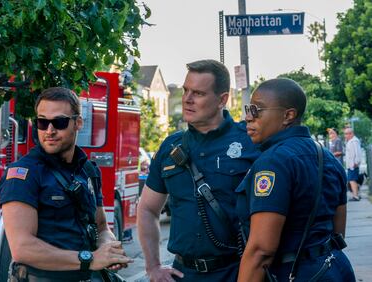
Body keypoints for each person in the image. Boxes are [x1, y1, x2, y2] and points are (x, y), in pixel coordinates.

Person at [137, 59, 259, 281]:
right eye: (185, 90)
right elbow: (146, 209)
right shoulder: (170, 147)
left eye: (198, 93)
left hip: (237, 272)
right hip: (184, 273)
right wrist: (153, 266)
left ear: (222, 99)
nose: (187, 99)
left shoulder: (250, 142)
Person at [0, 87, 132, 281]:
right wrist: (90, 259)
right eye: (42, 122)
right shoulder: (23, 175)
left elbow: (102, 226)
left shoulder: (89, 170)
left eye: (59, 122)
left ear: (78, 123)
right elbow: (22, 248)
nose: (49, 130)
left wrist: (109, 249)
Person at [235, 78, 355, 282]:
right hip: (334, 268)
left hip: (295, 272)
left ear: (288, 115)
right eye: (249, 109)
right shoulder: (326, 156)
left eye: (257, 109)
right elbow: (337, 232)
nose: (248, 117)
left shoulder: (273, 161)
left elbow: (261, 250)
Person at [344, 127, 362, 201]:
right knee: (353, 180)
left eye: (346, 134)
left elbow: (357, 153)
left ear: (351, 133)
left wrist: (356, 162)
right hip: (351, 165)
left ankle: (355, 196)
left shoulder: (354, 141)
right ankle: (357, 194)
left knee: (352, 180)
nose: (345, 135)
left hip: (353, 165)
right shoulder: (351, 141)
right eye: (345, 134)